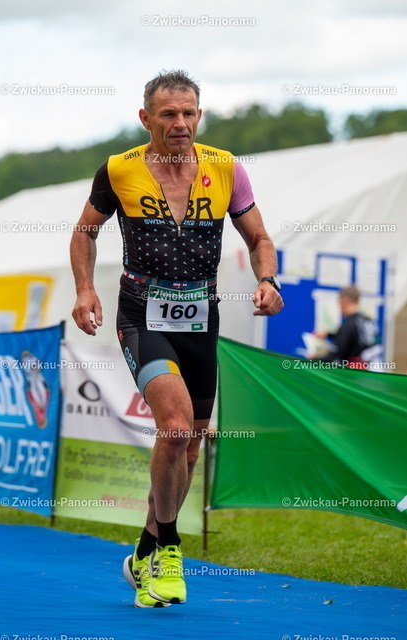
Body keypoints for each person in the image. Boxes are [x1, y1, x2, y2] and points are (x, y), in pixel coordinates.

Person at [70, 70, 283, 608]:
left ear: (199, 115)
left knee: (189, 448)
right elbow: (85, 232)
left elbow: (259, 236)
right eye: (168, 114)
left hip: (201, 316)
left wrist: (268, 279)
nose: (180, 123)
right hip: (141, 314)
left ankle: (143, 550)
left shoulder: (225, 167)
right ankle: (169, 551)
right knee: (176, 426)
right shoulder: (118, 169)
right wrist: (85, 290)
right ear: (147, 118)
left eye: (189, 113)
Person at [315, 285, 379, 367]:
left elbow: (332, 356)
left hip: (355, 372)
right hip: (373, 368)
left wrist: (312, 360)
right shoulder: (370, 322)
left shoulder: (348, 326)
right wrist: (328, 334)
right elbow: (356, 338)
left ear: (344, 300)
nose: (339, 305)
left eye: (339, 301)